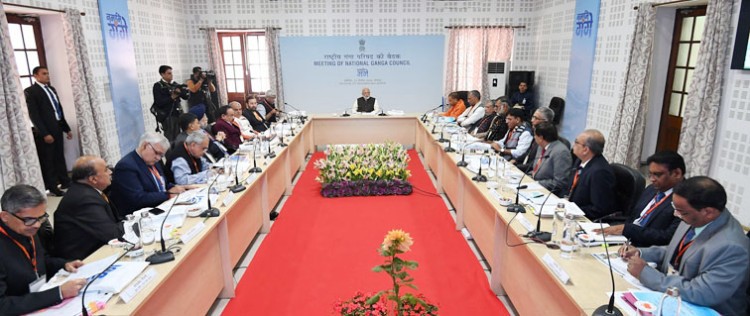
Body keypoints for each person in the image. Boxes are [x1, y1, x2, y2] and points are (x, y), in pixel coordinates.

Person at [621, 176, 750, 315]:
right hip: (674, 299)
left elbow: (701, 292)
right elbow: (678, 251)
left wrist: (646, 274)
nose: (676, 214)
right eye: (674, 208)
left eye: (681, 211)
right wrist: (641, 253)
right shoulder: (694, 216)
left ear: (708, 212)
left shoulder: (732, 247)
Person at [0, 185, 87, 315]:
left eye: (41, 217)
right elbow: (2, 306)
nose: (37, 225)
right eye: (29, 219)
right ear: (5, 216)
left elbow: (41, 260)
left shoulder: (27, 228)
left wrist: (63, 264)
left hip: (40, 300)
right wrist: (58, 293)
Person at [595, 151, 685, 247]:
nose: (652, 179)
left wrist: (628, 230)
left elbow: (667, 237)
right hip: (623, 241)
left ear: (676, 173)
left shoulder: (685, 199)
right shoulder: (651, 189)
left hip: (645, 249)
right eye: (650, 174)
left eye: (657, 175)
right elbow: (633, 217)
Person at [53, 156, 124, 260]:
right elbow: (112, 234)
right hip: (83, 260)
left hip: (98, 248)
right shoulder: (84, 199)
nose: (110, 172)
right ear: (93, 179)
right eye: (106, 169)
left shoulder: (86, 190)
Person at [109, 132, 187, 218]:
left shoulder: (153, 161)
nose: (158, 158)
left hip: (160, 208)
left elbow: (163, 184)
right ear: (144, 145)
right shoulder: (126, 166)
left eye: (161, 155)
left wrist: (180, 188)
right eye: (157, 153)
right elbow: (138, 198)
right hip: (140, 216)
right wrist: (168, 194)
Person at [25, 66, 72, 197]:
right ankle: (52, 187)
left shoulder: (51, 89)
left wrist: (66, 128)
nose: (47, 76)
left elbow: (58, 110)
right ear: (36, 75)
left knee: (59, 156)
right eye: (44, 74)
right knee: (49, 159)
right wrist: (45, 133)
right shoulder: (31, 91)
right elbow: (34, 115)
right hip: (46, 131)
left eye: (48, 73)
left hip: (57, 127)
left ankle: (65, 181)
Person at [568, 129, 616, 220]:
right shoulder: (580, 160)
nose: (573, 144)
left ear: (585, 149)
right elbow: (570, 188)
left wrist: (572, 211)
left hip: (584, 220)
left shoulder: (600, 172)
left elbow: (599, 209)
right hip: (570, 212)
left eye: (576, 142)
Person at [529, 122, 572, 196]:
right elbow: (535, 170)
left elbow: (560, 182)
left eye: (535, 135)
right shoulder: (541, 146)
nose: (534, 137)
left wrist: (536, 184)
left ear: (541, 138)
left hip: (548, 193)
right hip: (534, 186)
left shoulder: (561, 152)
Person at [152, 65, 187, 141]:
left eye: (171, 73)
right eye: (169, 73)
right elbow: (159, 102)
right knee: (170, 139)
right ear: (162, 74)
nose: (171, 75)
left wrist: (183, 90)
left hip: (178, 114)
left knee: (181, 137)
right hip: (168, 116)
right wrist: (172, 97)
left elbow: (186, 97)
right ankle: (171, 152)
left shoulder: (175, 84)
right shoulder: (158, 86)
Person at [514, 106, 556, 170]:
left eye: (535, 118)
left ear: (545, 122)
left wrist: (516, 167)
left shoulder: (545, 139)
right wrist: (515, 161)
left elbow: (536, 163)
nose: (532, 120)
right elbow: (528, 152)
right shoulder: (536, 133)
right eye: (533, 117)